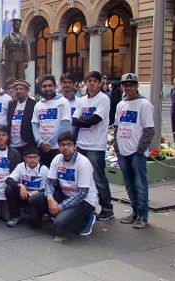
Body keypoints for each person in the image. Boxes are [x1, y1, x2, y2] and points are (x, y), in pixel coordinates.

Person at [28, 131, 98, 236]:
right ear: (58, 146)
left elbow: (82, 193)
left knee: (59, 224)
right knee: (34, 199)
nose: (65, 148)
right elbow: (49, 183)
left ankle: (88, 218)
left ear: (75, 146)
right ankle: (62, 215)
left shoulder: (83, 163)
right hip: (65, 195)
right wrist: (50, 198)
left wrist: (61, 207)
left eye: (69, 144)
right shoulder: (57, 159)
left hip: (84, 201)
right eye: (62, 145)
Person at [114, 73, 155, 229]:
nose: (128, 88)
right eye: (125, 85)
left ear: (136, 86)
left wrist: (140, 150)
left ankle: (142, 215)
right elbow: (117, 126)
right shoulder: (120, 105)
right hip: (123, 151)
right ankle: (134, 211)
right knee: (129, 184)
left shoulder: (144, 104)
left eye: (131, 85)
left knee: (140, 184)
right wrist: (117, 147)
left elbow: (149, 129)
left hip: (136, 152)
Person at [72, 71, 113, 221]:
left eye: (95, 81)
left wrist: (84, 119)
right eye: (89, 81)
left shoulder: (104, 99)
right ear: (85, 82)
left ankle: (107, 208)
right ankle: (88, 206)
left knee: (98, 178)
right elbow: (74, 120)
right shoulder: (82, 101)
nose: (92, 83)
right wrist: (85, 119)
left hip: (96, 145)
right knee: (84, 178)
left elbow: (94, 120)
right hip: (82, 144)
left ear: (100, 82)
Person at [32, 74, 71, 167]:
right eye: (44, 86)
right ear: (41, 88)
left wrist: (50, 143)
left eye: (50, 85)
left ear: (55, 87)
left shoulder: (63, 102)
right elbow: (34, 125)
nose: (47, 88)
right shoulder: (38, 104)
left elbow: (65, 126)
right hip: (41, 148)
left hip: (57, 148)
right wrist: (40, 142)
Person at [5, 146, 48, 227]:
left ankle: (38, 214)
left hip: (36, 198)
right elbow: (9, 179)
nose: (32, 159)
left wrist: (39, 192)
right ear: (24, 158)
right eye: (29, 157)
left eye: (35, 157)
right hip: (23, 195)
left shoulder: (44, 169)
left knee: (34, 223)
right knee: (9, 189)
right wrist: (21, 185)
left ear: (39, 158)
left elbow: (50, 187)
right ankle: (15, 215)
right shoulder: (20, 166)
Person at [8, 79, 37, 156]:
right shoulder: (11, 104)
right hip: (12, 144)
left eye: (21, 89)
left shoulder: (34, 104)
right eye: (16, 89)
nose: (18, 91)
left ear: (27, 90)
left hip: (27, 143)